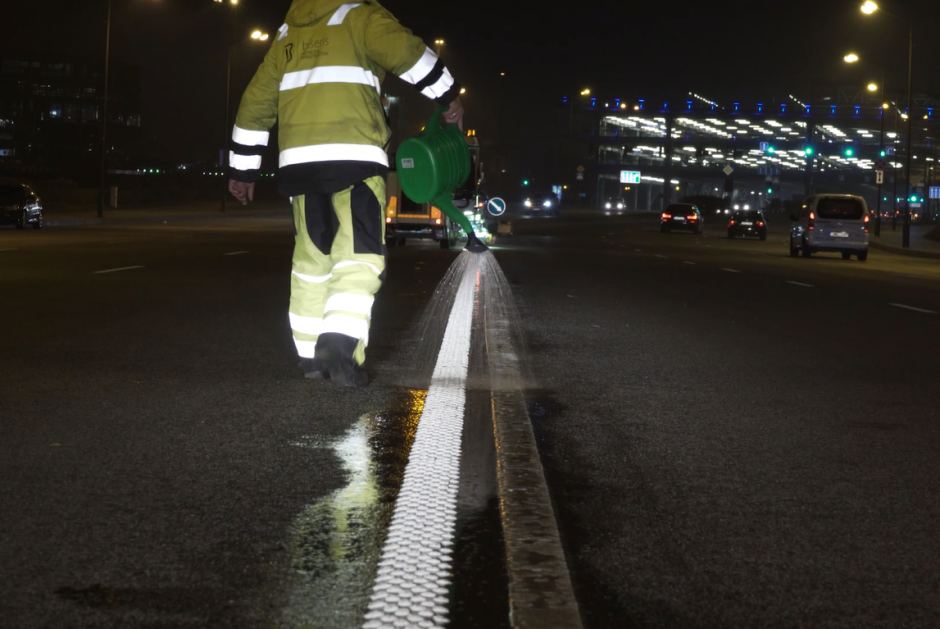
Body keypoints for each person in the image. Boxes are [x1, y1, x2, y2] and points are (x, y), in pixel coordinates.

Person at [227, 0, 464, 387]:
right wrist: (449, 96)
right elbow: (406, 51)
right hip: (354, 155)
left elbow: (256, 101)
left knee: (311, 260)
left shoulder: (289, 33)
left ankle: (311, 360)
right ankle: (337, 347)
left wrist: (242, 169)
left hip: (300, 165)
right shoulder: (358, 15)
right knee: (359, 256)